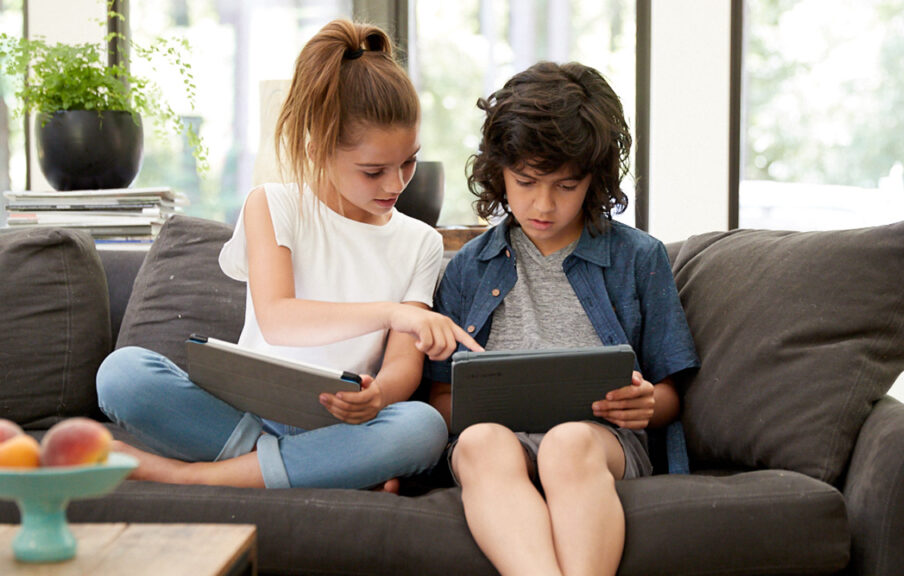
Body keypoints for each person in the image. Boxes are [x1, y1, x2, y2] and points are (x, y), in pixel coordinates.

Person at [96, 19, 481, 491]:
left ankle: (195, 476)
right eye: (373, 170)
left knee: (422, 427)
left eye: (408, 161)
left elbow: (404, 364)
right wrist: (392, 312)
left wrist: (378, 397)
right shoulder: (273, 204)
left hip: (341, 422)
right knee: (123, 373)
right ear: (319, 150)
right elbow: (279, 319)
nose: (396, 183)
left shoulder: (419, 240)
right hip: (245, 412)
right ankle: (325, 469)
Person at [426, 61, 699, 575]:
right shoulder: (467, 268)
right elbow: (440, 398)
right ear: (498, 171)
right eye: (525, 182)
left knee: (567, 442)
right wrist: (474, 406)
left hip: (598, 446)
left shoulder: (639, 258)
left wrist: (644, 404)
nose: (543, 204)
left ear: (594, 180)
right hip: (495, 449)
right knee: (482, 441)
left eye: (565, 186)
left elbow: (669, 396)